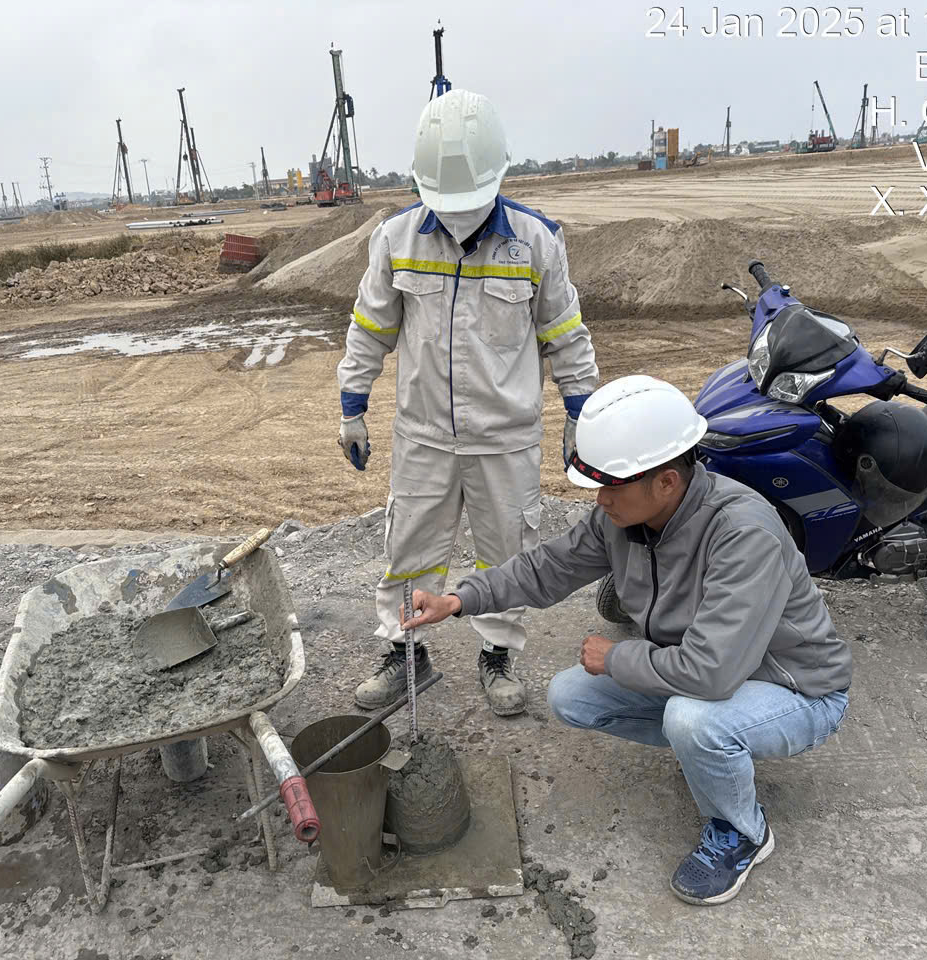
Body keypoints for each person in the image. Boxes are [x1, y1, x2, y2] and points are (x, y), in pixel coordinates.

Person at [401, 375, 852, 904]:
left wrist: (618, 656)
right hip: (711, 671)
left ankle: (742, 831)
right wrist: (460, 599)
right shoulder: (623, 520)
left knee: (693, 719)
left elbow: (711, 673)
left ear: (666, 481)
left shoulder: (743, 533)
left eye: (612, 485)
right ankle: (713, 755)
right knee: (570, 695)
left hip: (796, 690)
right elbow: (548, 567)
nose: (601, 498)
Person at [336, 89, 599, 717]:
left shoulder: (536, 242)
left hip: (505, 439)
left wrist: (580, 412)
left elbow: (565, 334)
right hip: (423, 434)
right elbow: (369, 328)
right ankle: (405, 652)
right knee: (410, 549)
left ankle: (497, 652)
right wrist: (352, 405)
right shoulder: (396, 239)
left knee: (505, 552)